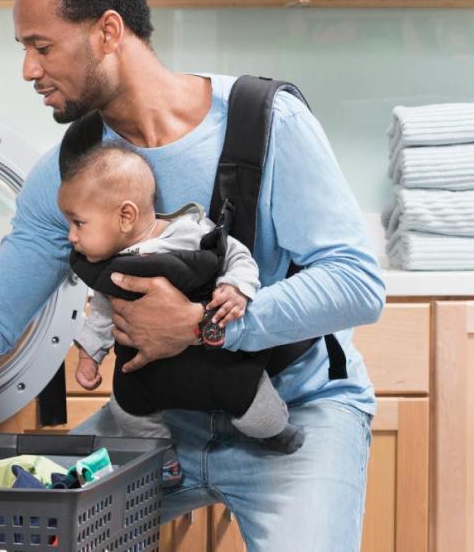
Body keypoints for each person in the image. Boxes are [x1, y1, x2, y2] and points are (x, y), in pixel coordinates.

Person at [0, 0, 385, 551]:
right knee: (18, 536)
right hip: (158, 424)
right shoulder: (69, 177)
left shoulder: (267, 123)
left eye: (42, 46)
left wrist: (203, 326)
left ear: (108, 32)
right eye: (24, 49)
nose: (29, 70)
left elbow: (357, 283)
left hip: (296, 415)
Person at [59, 143, 307, 489]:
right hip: (144, 374)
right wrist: (89, 355)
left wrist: (236, 288)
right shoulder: (108, 267)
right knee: (126, 412)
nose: (71, 236)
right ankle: (163, 457)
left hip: (217, 365)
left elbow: (235, 254)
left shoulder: (189, 232)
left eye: (78, 223)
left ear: (125, 216)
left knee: (255, 411)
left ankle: (276, 430)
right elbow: (102, 312)